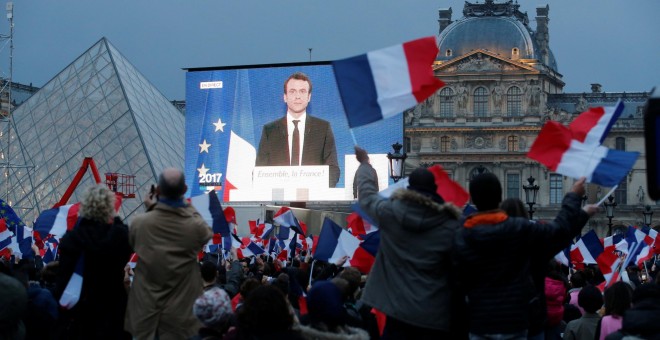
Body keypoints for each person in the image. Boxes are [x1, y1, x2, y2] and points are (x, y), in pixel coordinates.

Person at [453, 173, 598, 339]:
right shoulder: (519, 228)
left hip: (479, 321)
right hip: (515, 320)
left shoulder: (461, 236)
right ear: (500, 196)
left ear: (472, 198)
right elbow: (558, 232)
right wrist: (574, 198)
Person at [354, 146, 462, 338]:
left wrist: (364, 165)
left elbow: (367, 196)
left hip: (397, 315)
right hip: (436, 317)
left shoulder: (390, 213)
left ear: (409, 188)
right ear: (435, 189)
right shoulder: (451, 225)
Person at [124, 168, 213, 340]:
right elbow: (205, 230)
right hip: (181, 319)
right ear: (185, 191)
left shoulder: (138, 223)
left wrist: (153, 209)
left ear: (157, 191)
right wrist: (185, 204)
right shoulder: (195, 227)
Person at [55, 184, 133, 339]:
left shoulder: (72, 239)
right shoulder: (120, 236)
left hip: (80, 312)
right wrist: (115, 217)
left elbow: (62, 278)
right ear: (110, 209)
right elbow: (125, 234)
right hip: (113, 311)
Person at [255, 72, 340, 187]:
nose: (297, 96)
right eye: (292, 91)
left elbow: (333, 171)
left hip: (312, 201)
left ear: (309, 97)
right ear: (285, 97)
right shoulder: (269, 131)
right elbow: (259, 173)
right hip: (279, 202)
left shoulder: (323, 128)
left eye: (302, 91)